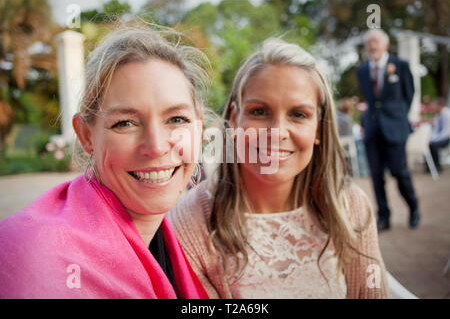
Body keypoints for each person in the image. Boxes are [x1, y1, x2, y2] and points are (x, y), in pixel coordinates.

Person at [169, 38, 389, 299]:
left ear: (318, 127)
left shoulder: (349, 206)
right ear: (234, 119)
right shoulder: (190, 223)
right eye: (260, 111)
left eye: (298, 114)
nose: (277, 133)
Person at [0, 26, 209, 299]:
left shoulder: (185, 243)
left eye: (177, 119)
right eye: (125, 123)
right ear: (86, 135)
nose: (156, 146)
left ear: (199, 128)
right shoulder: (38, 254)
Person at [356, 29, 420, 231]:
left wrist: (398, 118)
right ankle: (383, 216)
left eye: (375, 42)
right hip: (372, 129)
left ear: (385, 44)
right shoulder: (362, 69)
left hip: (395, 128)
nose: (372, 46)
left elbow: (409, 94)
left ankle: (413, 207)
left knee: (399, 172)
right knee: (376, 176)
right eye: (369, 43)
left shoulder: (400, 65)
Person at [429, 97, 450, 172]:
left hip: (447, 138)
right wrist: (431, 139)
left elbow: (446, 132)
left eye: (434, 105)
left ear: (440, 106)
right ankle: (430, 166)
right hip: (441, 137)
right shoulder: (438, 114)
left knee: (433, 145)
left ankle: (437, 166)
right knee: (429, 144)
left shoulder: (447, 114)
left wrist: (434, 140)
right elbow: (436, 130)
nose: (433, 107)